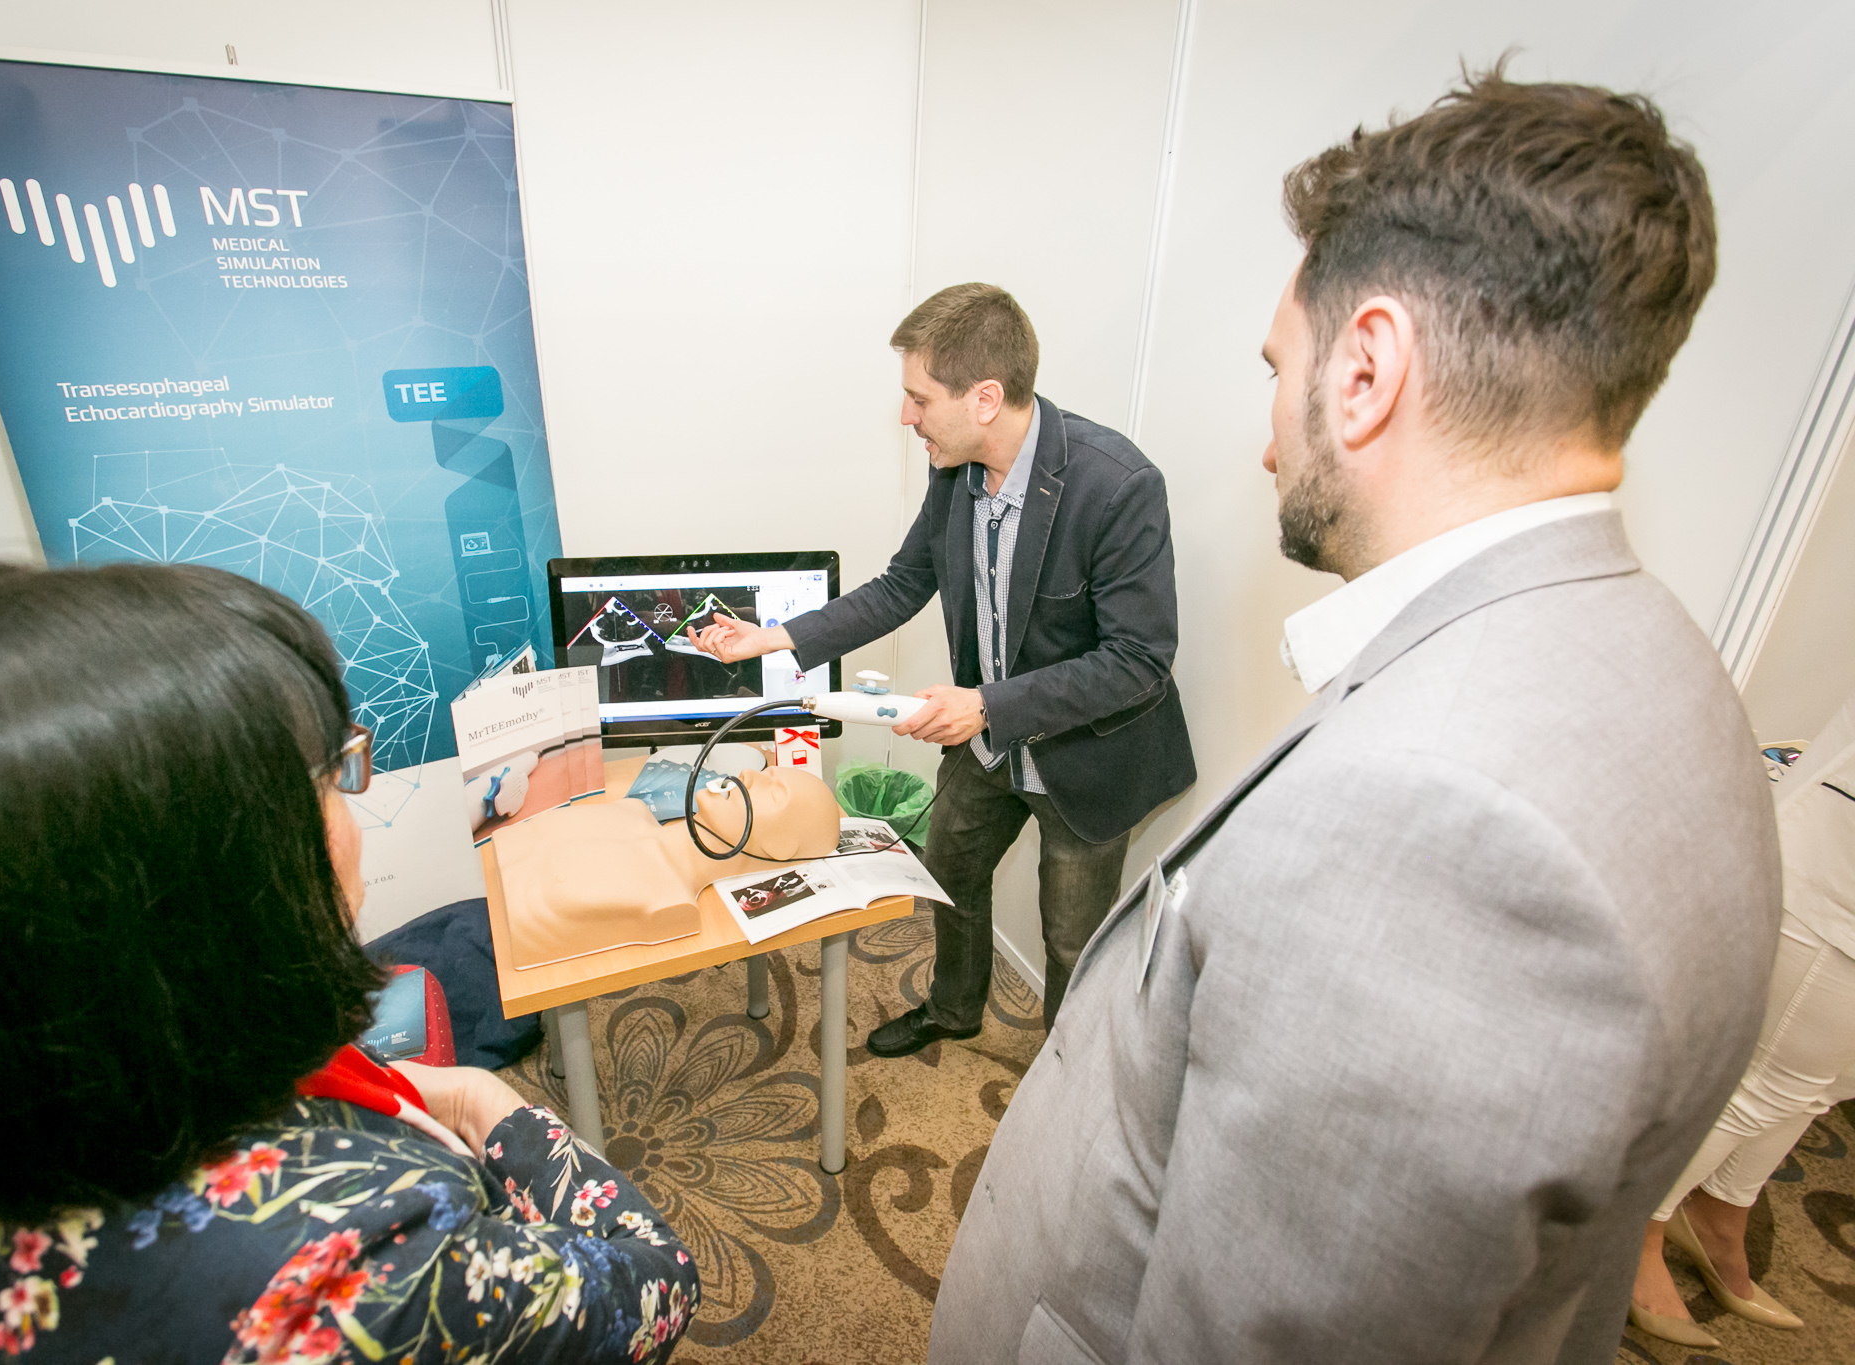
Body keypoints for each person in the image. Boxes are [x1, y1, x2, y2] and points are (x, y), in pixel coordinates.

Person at [929, 64, 1781, 1365]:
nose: (1269, 439)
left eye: (1280, 369)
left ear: (1367, 369)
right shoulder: (1670, 671)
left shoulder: (1438, 833)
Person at [0, 562, 698, 1364]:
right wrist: (476, 1095)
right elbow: (656, 1279)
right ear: (195, 884)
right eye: (331, 775)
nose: (350, 811)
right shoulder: (370, 1272)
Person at [689, 283, 1193, 1052]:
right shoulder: (954, 470)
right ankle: (955, 1008)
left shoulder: (1117, 486)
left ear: (985, 398)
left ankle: (1061, 1075)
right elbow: (901, 586)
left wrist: (987, 703)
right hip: (984, 742)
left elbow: (1139, 660)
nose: (906, 416)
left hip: (1086, 755)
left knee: (1070, 939)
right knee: (948, 872)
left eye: (919, 398)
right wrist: (771, 639)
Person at [1627, 688, 1855, 1347]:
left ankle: (1720, 1211)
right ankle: (1634, 1231)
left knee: (1825, 1084)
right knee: (1769, 1081)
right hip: (1837, 883)